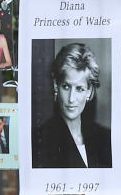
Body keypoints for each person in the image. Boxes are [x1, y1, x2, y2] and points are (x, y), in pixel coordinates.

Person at [32, 42, 112, 170]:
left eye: (79, 89)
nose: (71, 98)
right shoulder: (39, 140)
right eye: (66, 87)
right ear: (55, 85)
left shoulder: (105, 139)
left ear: (89, 91)